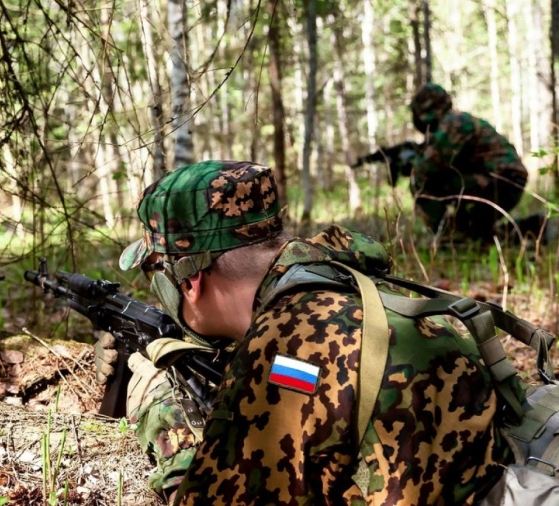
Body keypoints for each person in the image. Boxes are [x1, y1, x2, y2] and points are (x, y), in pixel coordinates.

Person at [104, 160, 519, 504]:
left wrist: (159, 407)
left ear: (190, 280)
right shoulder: (360, 284)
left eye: (155, 270)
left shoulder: (279, 347)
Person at [408, 83, 528, 240]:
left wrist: (409, 163)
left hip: (500, 181)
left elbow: (428, 168)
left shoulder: (453, 122)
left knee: (420, 182)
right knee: (473, 232)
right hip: (504, 180)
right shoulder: (457, 120)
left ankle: (447, 238)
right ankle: (532, 228)